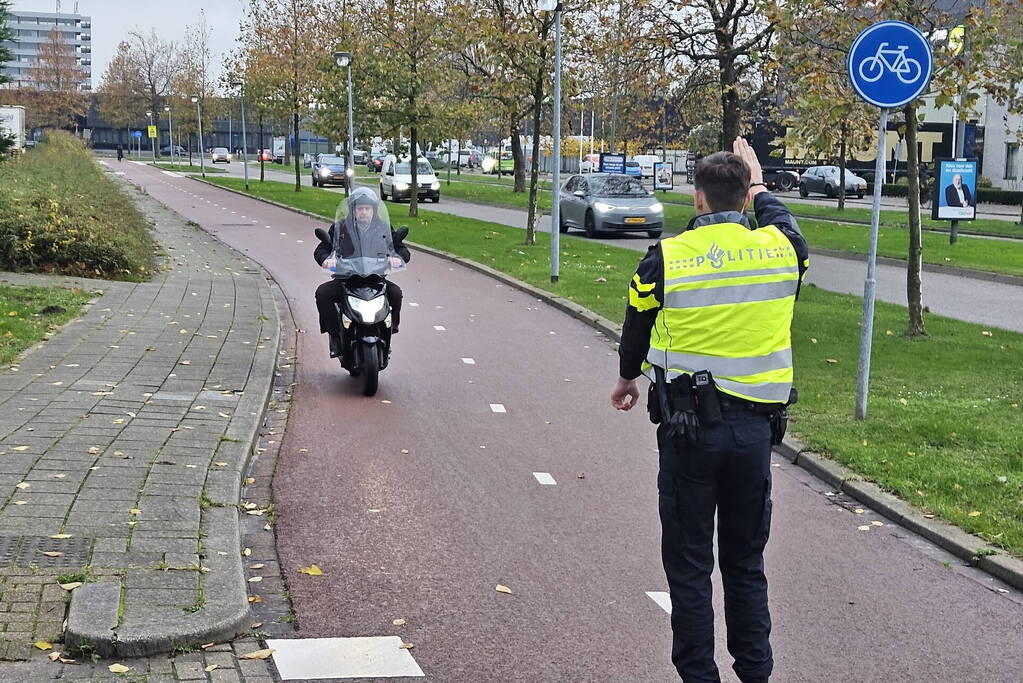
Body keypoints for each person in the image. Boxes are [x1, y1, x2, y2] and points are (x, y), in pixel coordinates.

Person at [611, 138, 809, 683]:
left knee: (690, 567)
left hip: (688, 432)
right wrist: (761, 180)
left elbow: (636, 327)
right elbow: (790, 228)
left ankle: (699, 676)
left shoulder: (666, 259)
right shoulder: (781, 249)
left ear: (696, 199)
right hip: (754, 438)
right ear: (746, 198)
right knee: (746, 565)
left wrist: (628, 378)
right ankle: (756, 673)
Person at [314, 188, 409, 357]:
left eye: (367, 209)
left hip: (375, 278)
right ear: (353, 211)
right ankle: (335, 335)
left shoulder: (383, 227)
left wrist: (399, 257)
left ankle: (390, 328)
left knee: (396, 293)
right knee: (323, 293)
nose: (364, 212)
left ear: (373, 210)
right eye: (360, 209)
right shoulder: (340, 227)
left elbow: (400, 248)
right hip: (347, 279)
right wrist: (326, 259)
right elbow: (322, 249)